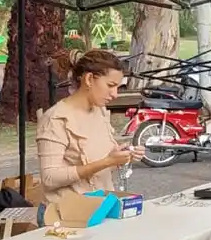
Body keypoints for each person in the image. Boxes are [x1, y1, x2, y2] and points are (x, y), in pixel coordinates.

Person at [37, 49, 144, 204]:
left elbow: (101, 166)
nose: (115, 94)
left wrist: (121, 157)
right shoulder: (55, 119)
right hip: (67, 216)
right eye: (110, 85)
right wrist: (107, 161)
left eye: (117, 87)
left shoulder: (99, 111)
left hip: (101, 207)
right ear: (88, 79)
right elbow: (49, 178)